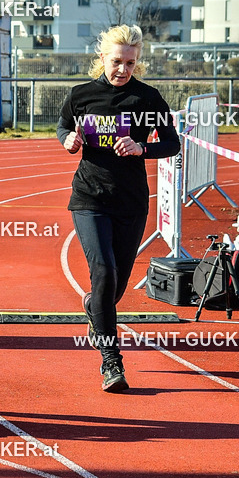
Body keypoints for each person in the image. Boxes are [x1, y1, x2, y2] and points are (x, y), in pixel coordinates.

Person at [57, 25, 179, 392]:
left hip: (131, 202)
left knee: (114, 289)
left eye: (130, 63)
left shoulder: (148, 99)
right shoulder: (81, 95)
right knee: (104, 270)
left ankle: (94, 306)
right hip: (89, 198)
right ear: (102, 58)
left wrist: (142, 148)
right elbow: (63, 125)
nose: (122, 70)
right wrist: (68, 140)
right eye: (116, 62)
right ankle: (112, 362)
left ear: (137, 62)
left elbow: (171, 143)